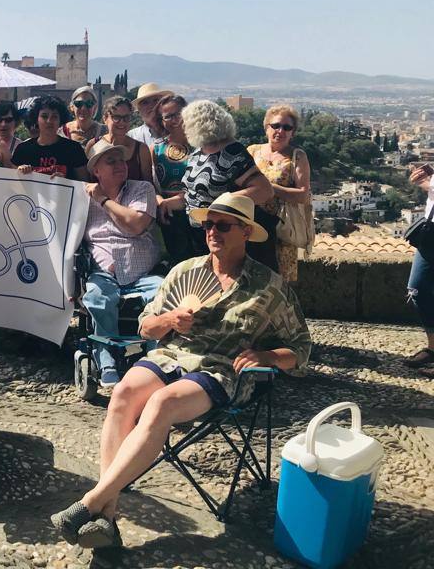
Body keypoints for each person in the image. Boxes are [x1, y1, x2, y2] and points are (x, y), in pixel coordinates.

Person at [50, 193, 311, 550]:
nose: (212, 232)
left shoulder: (269, 287)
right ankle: (105, 516)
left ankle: (92, 504)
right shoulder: (184, 272)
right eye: (208, 224)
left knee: (161, 403)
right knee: (124, 392)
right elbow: (145, 328)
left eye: (223, 225)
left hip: (221, 370)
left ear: (246, 232)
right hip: (172, 355)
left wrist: (267, 356)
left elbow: (301, 347)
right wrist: (169, 320)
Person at [81, 139, 164, 386]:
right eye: (111, 161)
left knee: (162, 295)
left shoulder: (142, 190)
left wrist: (104, 201)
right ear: (96, 171)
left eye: (122, 160)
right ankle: (106, 362)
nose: (120, 165)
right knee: (96, 297)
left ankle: (156, 360)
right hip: (103, 273)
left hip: (143, 273)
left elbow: (136, 224)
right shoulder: (82, 198)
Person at [182, 100, 277, 271]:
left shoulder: (232, 151)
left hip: (225, 234)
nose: (184, 127)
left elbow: (264, 190)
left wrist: (222, 205)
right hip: (199, 235)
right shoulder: (198, 152)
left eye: (187, 122)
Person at [247, 105, 312, 282]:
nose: (280, 131)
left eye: (287, 127)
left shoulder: (297, 157)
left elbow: (302, 195)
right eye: (275, 126)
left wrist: (268, 188)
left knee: (278, 282)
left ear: (293, 132)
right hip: (251, 226)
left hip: (281, 230)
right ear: (266, 127)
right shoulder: (252, 151)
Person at [151, 95, 196, 262]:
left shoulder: (201, 145)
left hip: (197, 212)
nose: (174, 119)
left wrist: (175, 201)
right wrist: (160, 201)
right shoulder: (156, 149)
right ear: (161, 121)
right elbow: (150, 182)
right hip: (168, 216)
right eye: (168, 116)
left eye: (178, 113)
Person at [12, 95, 88, 180]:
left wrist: (66, 181)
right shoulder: (23, 150)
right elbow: (11, 184)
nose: (49, 121)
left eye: (54, 117)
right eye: (44, 116)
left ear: (60, 120)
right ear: (36, 119)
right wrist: (18, 172)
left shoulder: (74, 149)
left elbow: (85, 184)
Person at [404, 163, 434, 378]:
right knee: (417, 289)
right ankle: (432, 348)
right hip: (431, 234)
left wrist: (429, 180)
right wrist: (427, 180)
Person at [98, 96, 152, 183]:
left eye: (126, 118)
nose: (122, 122)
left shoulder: (141, 150)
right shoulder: (93, 145)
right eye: (116, 117)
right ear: (105, 118)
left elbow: (149, 186)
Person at [128, 83, 169, 148]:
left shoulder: (177, 131)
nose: (151, 106)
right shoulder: (132, 137)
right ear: (139, 109)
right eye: (145, 103)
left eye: (156, 100)